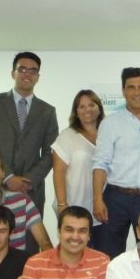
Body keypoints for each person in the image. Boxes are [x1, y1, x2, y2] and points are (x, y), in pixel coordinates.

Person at [0, 51, 59, 252]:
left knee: (29, 247)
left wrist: (27, 181)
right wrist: (8, 176)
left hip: (30, 190)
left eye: (33, 71)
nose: (27, 74)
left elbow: (51, 153)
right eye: (22, 69)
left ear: (38, 76)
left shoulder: (47, 111)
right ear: (13, 73)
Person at [92, 67, 140, 258]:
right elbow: (100, 163)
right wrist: (97, 199)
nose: (137, 92)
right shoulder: (110, 123)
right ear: (123, 91)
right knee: (109, 255)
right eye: (131, 87)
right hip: (116, 198)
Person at [52, 89, 105, 248]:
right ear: (76, 112)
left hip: (100, 208)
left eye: (91, 105)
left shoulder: (107, 135)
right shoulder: (68, 136)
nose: (87, 109)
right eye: (82, 106)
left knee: (99, 253)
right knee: (73, 251)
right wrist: (62, 205)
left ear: (99, 108)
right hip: (73, 205)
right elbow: (59, 172)